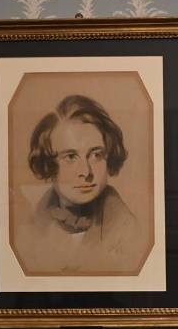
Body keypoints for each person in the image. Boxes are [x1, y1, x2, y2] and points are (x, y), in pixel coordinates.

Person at [12, 94, 148, 275]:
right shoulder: (28, 234)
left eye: (96, 155)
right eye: (70, 157)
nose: (86, 171)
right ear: (48, 164)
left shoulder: (129, 235)